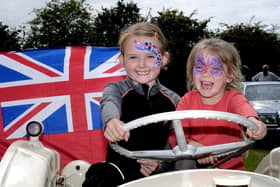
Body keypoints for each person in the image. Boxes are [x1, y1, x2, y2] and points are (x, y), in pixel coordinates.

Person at [83, 22, 180, 186]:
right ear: (122, 60)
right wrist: (112, 121)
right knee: (99, 174)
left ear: (164, 59)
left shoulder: (175, 101)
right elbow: (109, 103)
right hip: (120, 170)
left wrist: (160, 164)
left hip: (158, 175)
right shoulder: (116, 89)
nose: (142, 65)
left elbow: (177, 143)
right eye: (133, 57)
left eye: (150, 57)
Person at [169, 38, 267, 170]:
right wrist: (192, 145)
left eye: (215, 68)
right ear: (191, 73)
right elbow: (176, 135)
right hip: (196, 171)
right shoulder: (187, 101)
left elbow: (243, 108)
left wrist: (253, 122)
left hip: (230, 172)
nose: (205, 73)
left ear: (229, 75)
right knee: (184, 162)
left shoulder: (233, 98)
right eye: (199, 67)